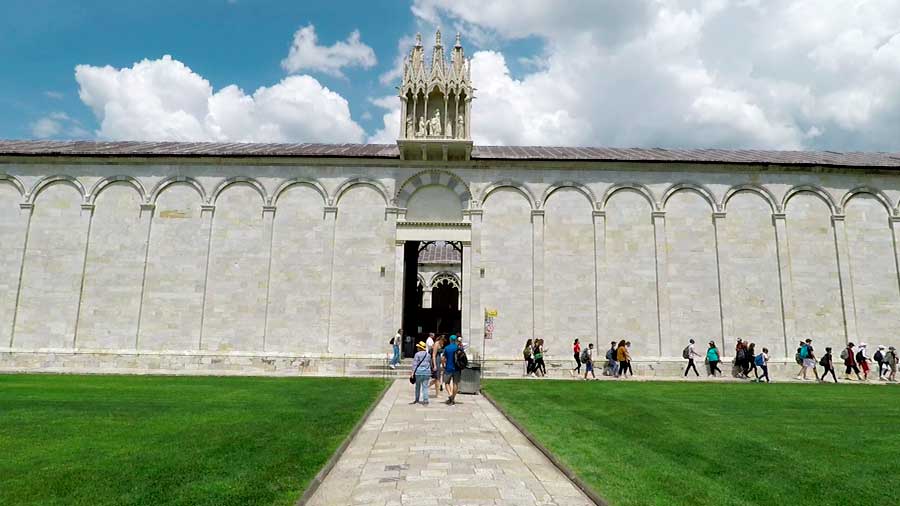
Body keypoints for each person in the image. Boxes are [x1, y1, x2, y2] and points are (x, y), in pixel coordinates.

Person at [442, 335, 461, 405]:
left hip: (448, 368)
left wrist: (443, 365)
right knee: (455, 383)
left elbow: (443, 358)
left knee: (446, 382)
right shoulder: (458, 348)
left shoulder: (447, 348)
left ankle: (450, 395)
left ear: (450, 340)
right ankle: (453, 398)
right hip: (457, 368)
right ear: (456, 340)